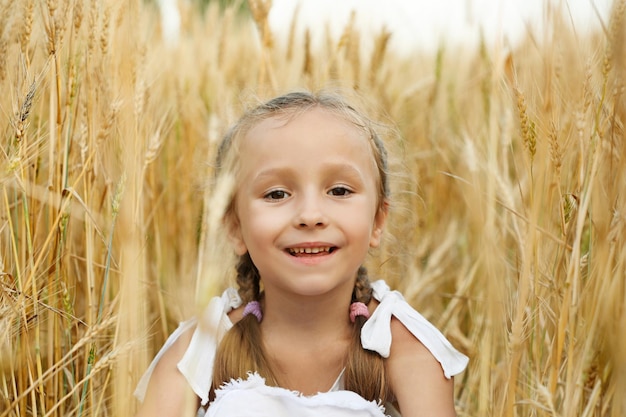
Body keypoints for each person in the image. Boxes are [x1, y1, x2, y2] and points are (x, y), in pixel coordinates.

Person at [133, 90, 469, 417]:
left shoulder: (403, 349)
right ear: (235, 226)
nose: (310, 215)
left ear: (377, 221)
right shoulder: (201, 348)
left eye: (339, 190)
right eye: (277, 194)